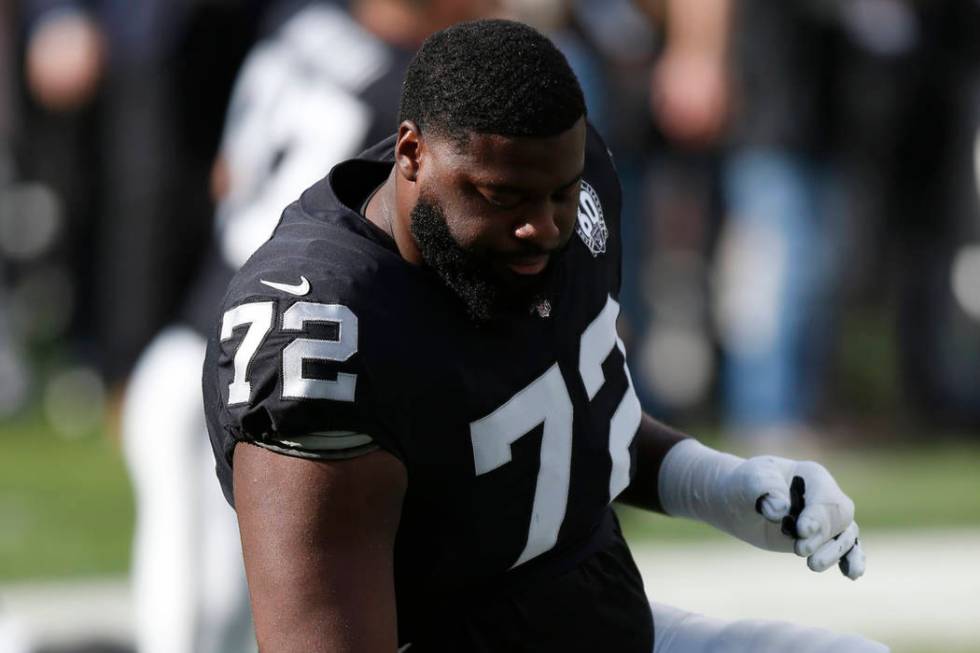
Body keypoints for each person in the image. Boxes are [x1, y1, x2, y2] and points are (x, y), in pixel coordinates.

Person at [203, 20, 888, 652]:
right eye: (504, 198)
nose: (544, 229)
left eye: (559, 194)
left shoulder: (566, 178)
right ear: (412, 154)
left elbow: (564, 409)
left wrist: (721, 483)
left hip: (599, 623)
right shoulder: (321, 334)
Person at [123, 2, 500, 652]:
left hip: (206, 350)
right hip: (258, 376)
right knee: (203, 628)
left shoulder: (297, 26)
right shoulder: (408, 103)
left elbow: (227, 176)